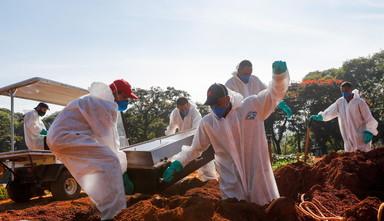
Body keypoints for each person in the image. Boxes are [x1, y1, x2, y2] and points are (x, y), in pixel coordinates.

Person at [162, 61, 290, 205]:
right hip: (231, 182)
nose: (214, 108)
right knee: (235, 212)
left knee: (266, 209)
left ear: (228, 99)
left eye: (217, 103)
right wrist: (178, 163)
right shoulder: (208, 123)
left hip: (258, 175)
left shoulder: (251, 106)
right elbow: (195, 149)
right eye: (212, 105)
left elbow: (274, 94)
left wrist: (279, 77)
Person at [47, 79, 138, 220]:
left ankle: (104, 206)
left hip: (59, 138)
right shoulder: (103, 104)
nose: (126, 101)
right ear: (116, 93)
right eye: (125, 97)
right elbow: (109, 140)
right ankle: (115, 214)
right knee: (110, 160)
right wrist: (122, 171)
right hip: (67, 137)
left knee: (92, 170)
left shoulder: (95, 100)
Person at [309, 81, 378, 152]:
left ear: (351, 90)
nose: (344, 93)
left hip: (361, 138)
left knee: (364, 159)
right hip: (348, 139)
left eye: (346, 90)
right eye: (342, 91)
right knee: (350, 160)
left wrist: (369, 131)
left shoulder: (359, 102)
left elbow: (369, 119)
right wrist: (321, 116)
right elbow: (330, 111)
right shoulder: (340, 102)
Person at [165, 97, 218, 181]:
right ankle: (179, 179)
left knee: (203, 156)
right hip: (181, 139)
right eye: (181, 109)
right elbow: (171, 128)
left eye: (185, 108)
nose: (183, 110)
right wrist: (168, 141)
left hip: (194, 138)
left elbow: (196, 129)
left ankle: (209, 178)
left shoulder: (195, 112)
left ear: (188, 105)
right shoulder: (175, 113)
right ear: (178, 107)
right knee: (180, 158)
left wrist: (194, 142)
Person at [225, 59, 292, 118]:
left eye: (249, 74)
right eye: (245, 74)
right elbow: (228, 105)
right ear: (239, 70)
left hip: (255, 117)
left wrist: (279, 101)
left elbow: (268, 93)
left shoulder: (254, 79)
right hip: (238, 120)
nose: (247, 76)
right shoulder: (230, 84)